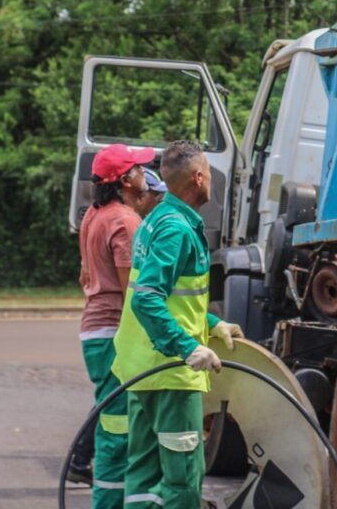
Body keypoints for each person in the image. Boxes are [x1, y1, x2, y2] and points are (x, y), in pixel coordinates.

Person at [111, 140, 244, 509]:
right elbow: (147, 297)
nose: (211, 183)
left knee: (143, 477)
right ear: (199, 178)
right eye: (209, 175)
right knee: (183, 478)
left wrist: (212, 324)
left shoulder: (156, 219)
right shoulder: (177, 230)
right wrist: (187, 348)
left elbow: (171, 298)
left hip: (143, 369)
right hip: (170, 374)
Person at [74, 143, 158, 509]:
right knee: (117, 429)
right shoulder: (125, 221)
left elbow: (84, 274)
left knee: (113, 422)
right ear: (126, 180)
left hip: (94, 328)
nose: (145, 174)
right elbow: (133, 294)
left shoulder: (94, 214)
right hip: (113, 333)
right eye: (140, 169)